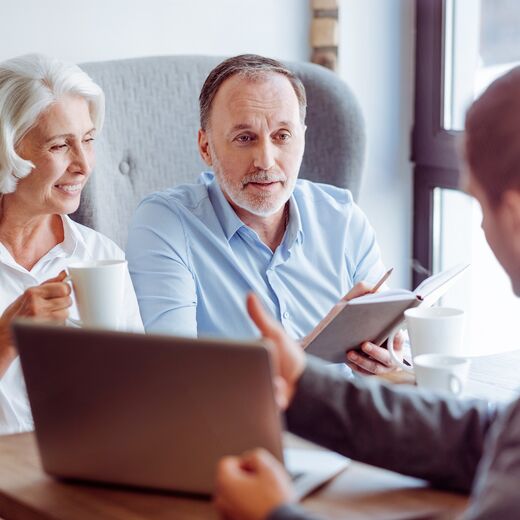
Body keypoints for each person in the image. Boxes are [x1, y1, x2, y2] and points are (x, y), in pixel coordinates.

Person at [213, 66, 520, 520]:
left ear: (514, 216)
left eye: (477, 203)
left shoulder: (339, 213)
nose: (480, 226)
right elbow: (486, 438)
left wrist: (274, 515)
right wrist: (303, 384)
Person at [126, 54, 403, 375]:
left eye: (282, 136)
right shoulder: (165, 223)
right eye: (245, 138)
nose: (266, 161)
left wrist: (387, 361)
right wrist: (318, 345)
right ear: (205, 148)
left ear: (302, 139)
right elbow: (175, 375)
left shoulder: (342, 217)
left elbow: (393, 358)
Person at [0, 54, 143, 434]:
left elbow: (140, 393)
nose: (84, 164)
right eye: (60, 146)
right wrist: (5, 340)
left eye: (89, 140)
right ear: (8, 150)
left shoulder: (102, 257)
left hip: (85, 461)